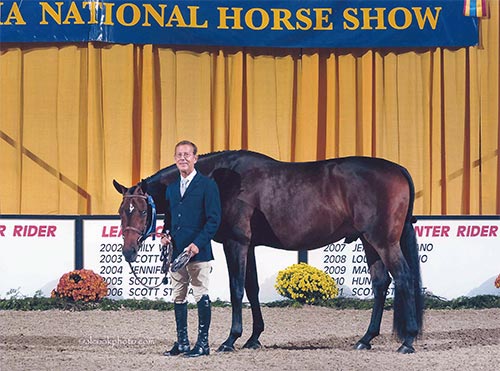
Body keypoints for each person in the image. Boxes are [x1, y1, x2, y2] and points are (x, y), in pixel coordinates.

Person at [161, 140, 221, 357]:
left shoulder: (207, 185)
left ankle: (203, 345)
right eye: (179, 154)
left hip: (198, 252)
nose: (182, 158)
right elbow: (169, 218)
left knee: (200, 294)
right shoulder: (171, 189)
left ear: (195, 159)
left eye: (187, 154)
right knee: (178, 296)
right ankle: (182, 342)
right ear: (175, 159)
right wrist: (165, 235)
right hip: (177, 254)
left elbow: (214, 220)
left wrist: (197, 244)